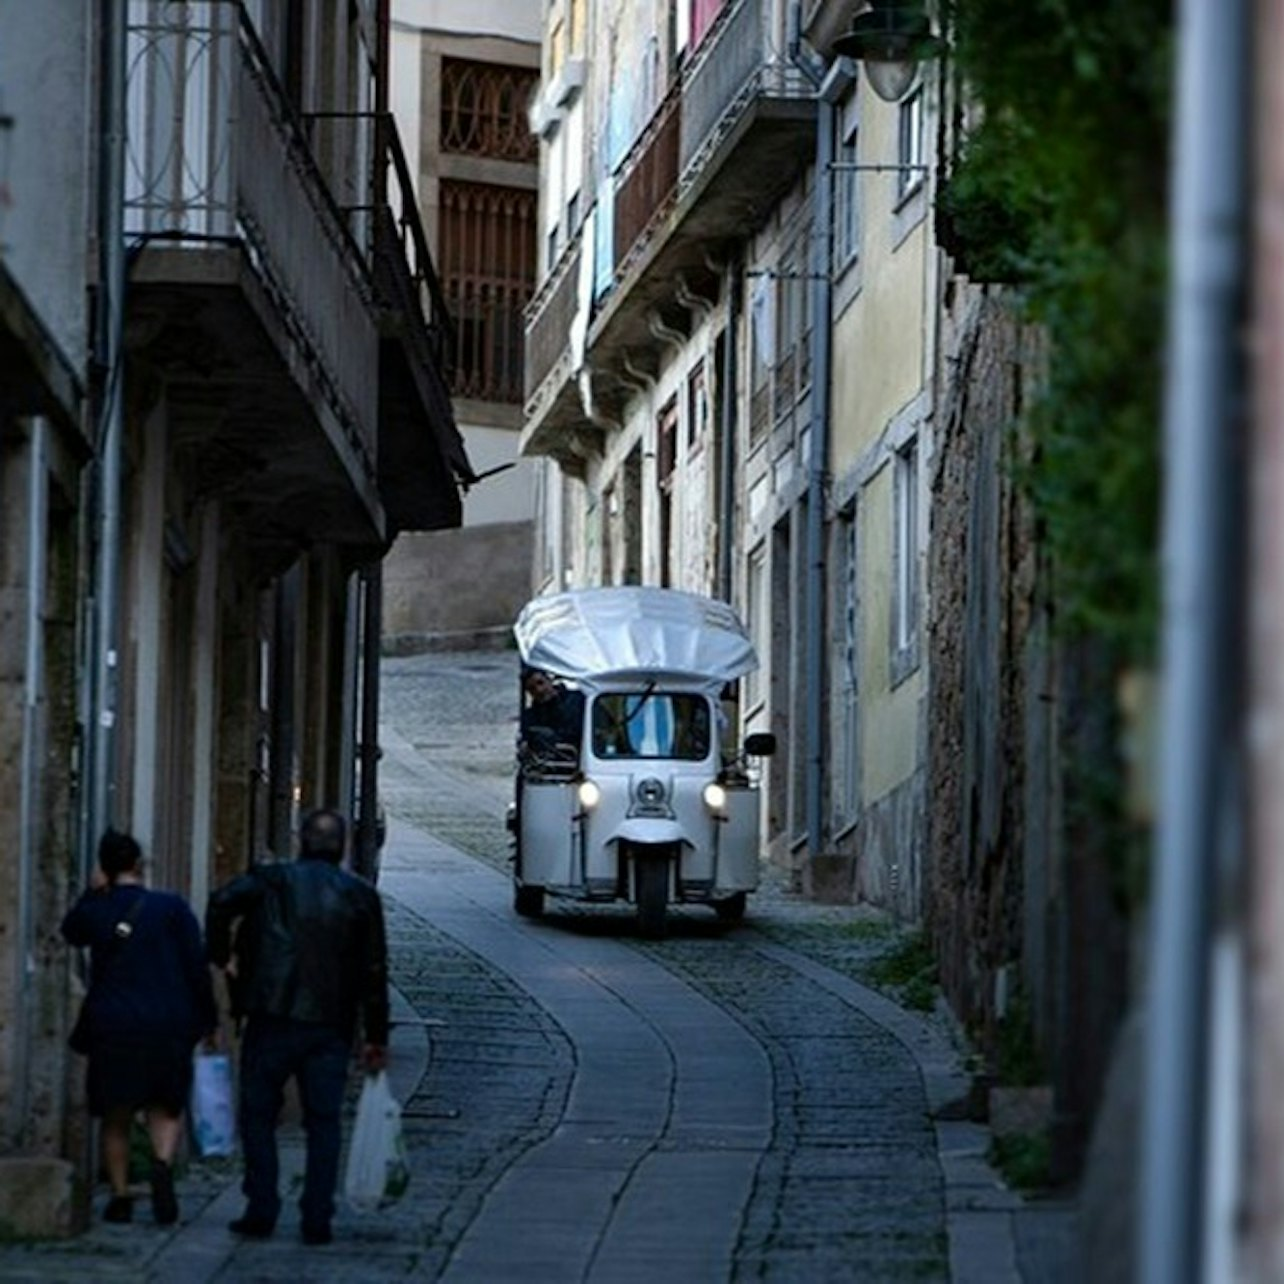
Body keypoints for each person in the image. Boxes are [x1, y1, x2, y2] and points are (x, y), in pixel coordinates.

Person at [206, 809, 389, 1246]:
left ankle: (262, 1206)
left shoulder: (272, 880)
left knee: (258, 1115)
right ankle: (317, 1214)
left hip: (270, 1015)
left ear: (302, 842)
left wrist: (222, 957)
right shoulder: (360, 896)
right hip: (330, 1023)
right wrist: (376, 1036)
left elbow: (219, 902)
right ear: (343, 846)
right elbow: (375, 970)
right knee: (323, 1121)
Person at [61, 829, 217, 1226]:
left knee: (116, 1114)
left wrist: (92, 893)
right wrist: (207, 1018)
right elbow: (196, 968)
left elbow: (70, 932)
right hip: (168, 1022)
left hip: (114, 1024)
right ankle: (162, 1163)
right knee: (165, 1107)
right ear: (139, 865)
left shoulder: (99, 908)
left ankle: (120, 1194)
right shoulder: (172, 908)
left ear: (105, 867)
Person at [520, 667, 585, 753]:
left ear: (549, 680)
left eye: (541, 683)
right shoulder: (529, 717)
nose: (539, 690)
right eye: (532, 688)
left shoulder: (578, 700)